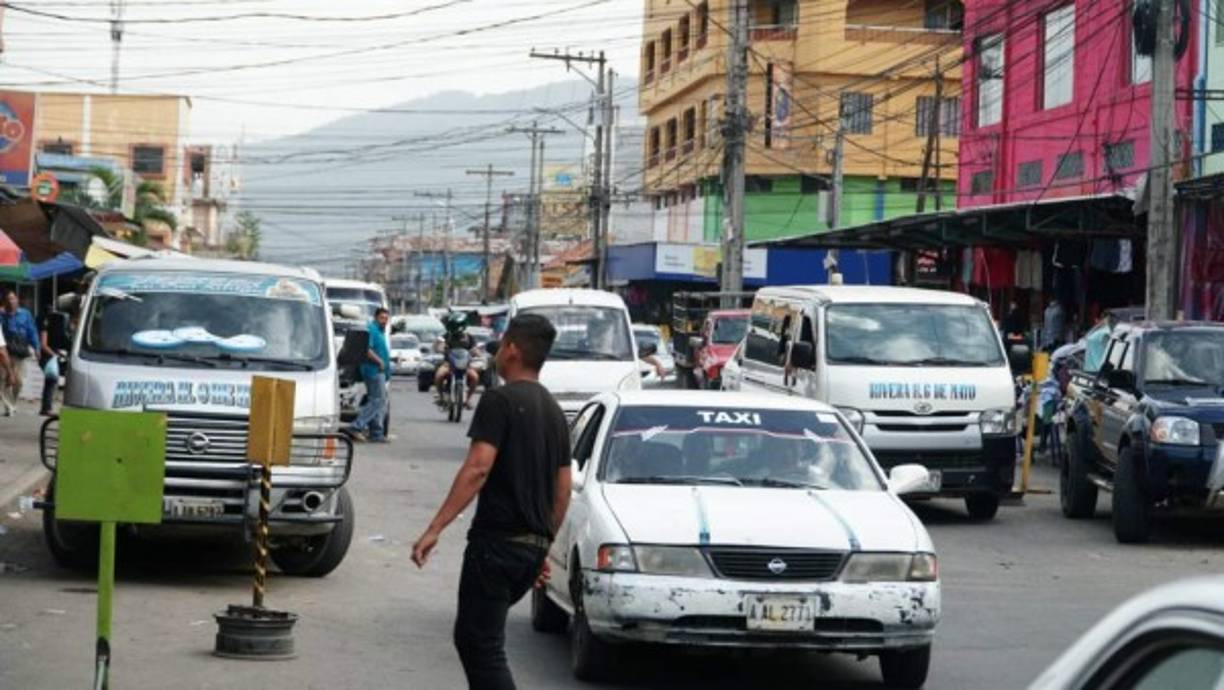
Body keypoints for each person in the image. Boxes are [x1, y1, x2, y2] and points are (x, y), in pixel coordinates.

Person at [412, 314, 571, 690]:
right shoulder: (553, 410)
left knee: (479, 645)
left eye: (501, 343)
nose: (497, 351)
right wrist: (542, 544)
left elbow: (477, 469)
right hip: (529, 551)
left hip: (496, 547)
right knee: (482, 642)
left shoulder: (499, 400)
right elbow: (563, 488)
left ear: (513, 349)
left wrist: (434, 529)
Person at [346, 308, 391, 443]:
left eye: (386, 318)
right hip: (373, 370)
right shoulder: (371, 329)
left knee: (378, 401)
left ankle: (376, 433)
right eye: (382, 318)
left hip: (379, 372)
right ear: (376, 317)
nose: (385, 321)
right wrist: (379, 361)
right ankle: (356, 426)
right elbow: (366, 349)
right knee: (378, 400)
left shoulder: (380, 332)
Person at [0, 290, 46, 412]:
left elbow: (32, 331)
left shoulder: (25, 314)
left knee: (18, 381)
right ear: (4, 302)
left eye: (13, 298)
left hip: (20, 351)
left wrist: (36, 347)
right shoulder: (1, 315)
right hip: (5, 351)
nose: (11, 301)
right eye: (8, 299)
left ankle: (13, 402)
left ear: (17, 300)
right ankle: (8, 406)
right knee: (5, 378)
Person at [435, 313, 481, 409]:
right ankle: (441, 396)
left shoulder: (469, 337)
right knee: (439, 375)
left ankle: (467, 399)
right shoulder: (446, 336)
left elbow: (476, 349)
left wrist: (476, 353)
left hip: (465, 365)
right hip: (448, 364)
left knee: (475, 377)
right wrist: (441, 348)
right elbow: (439, 345)